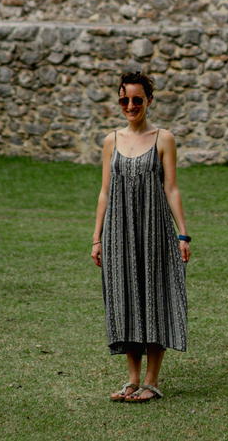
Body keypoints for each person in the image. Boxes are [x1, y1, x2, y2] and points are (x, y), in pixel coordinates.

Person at [91, 69, 191, 402]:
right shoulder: (111, 140)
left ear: (148, 100)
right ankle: (131, 380)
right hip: (118, 233)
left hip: (155, 231)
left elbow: (172, 187)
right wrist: (96, 238)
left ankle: (151, 381)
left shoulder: (164, 138)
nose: (130, 105)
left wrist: (183, 234)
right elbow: (105, 192)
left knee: (155, 299)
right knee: (124, 301)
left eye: (137, 99)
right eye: (124, 99)